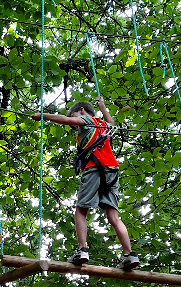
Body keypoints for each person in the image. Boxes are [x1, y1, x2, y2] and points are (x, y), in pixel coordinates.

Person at [30, 96, 139, 270]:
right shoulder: (103, 125)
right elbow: (112, 123)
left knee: (81, 211)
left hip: (94, 168)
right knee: (113, 216)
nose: (75, 126)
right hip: (111, 171)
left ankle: (82, 250)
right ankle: (129, 254)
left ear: (81, 111)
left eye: (75, 121)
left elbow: (66, 120)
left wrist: (43, 115)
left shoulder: (86, 120)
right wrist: (103, 107)